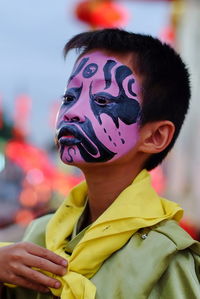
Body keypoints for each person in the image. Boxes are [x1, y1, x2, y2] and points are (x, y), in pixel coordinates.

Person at [0, 28, 200, 299]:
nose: (72, 113)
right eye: (69, 97)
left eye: (103, 100)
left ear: (155, 136)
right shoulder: (41, 233)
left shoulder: (166, 258)